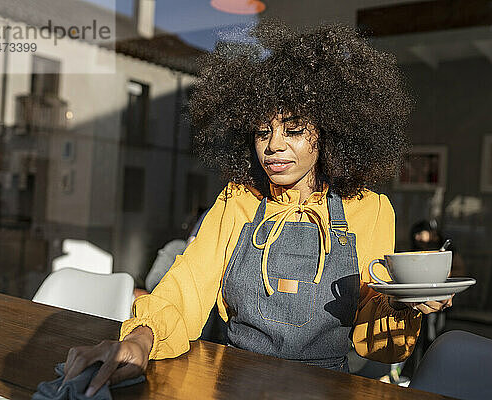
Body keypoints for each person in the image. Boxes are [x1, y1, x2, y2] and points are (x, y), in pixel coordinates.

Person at [62, 21, 452, 396]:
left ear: (331, 131)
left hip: (329, 389)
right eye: (263, 131)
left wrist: (403, 306)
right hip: (229, 381)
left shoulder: (370, 210)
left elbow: (380, 345)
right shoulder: (239, 199)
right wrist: (142, 338)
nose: (273, 146)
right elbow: (188, 286)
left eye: (294, 130)